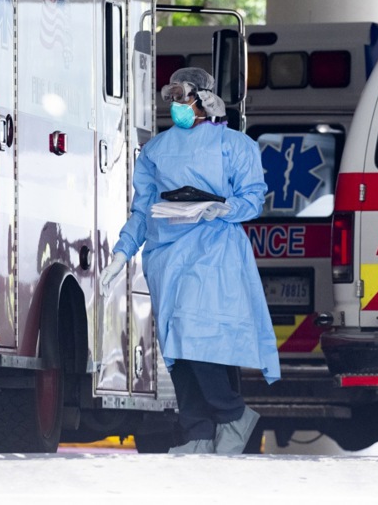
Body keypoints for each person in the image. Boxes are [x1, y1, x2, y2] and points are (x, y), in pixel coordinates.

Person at [99, 67, 280, 454]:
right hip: (166, 257)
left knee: (196, 337)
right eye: (172, 98)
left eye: (183, 96)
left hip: (213, 253)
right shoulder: (156, 151)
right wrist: (121, 253)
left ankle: (232, 415)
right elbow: (142, 210)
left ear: (205, 98)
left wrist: (223, 208)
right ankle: (197, 432)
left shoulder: (235, 146)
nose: (176, 105)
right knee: (176, 346)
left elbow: (252, 198)